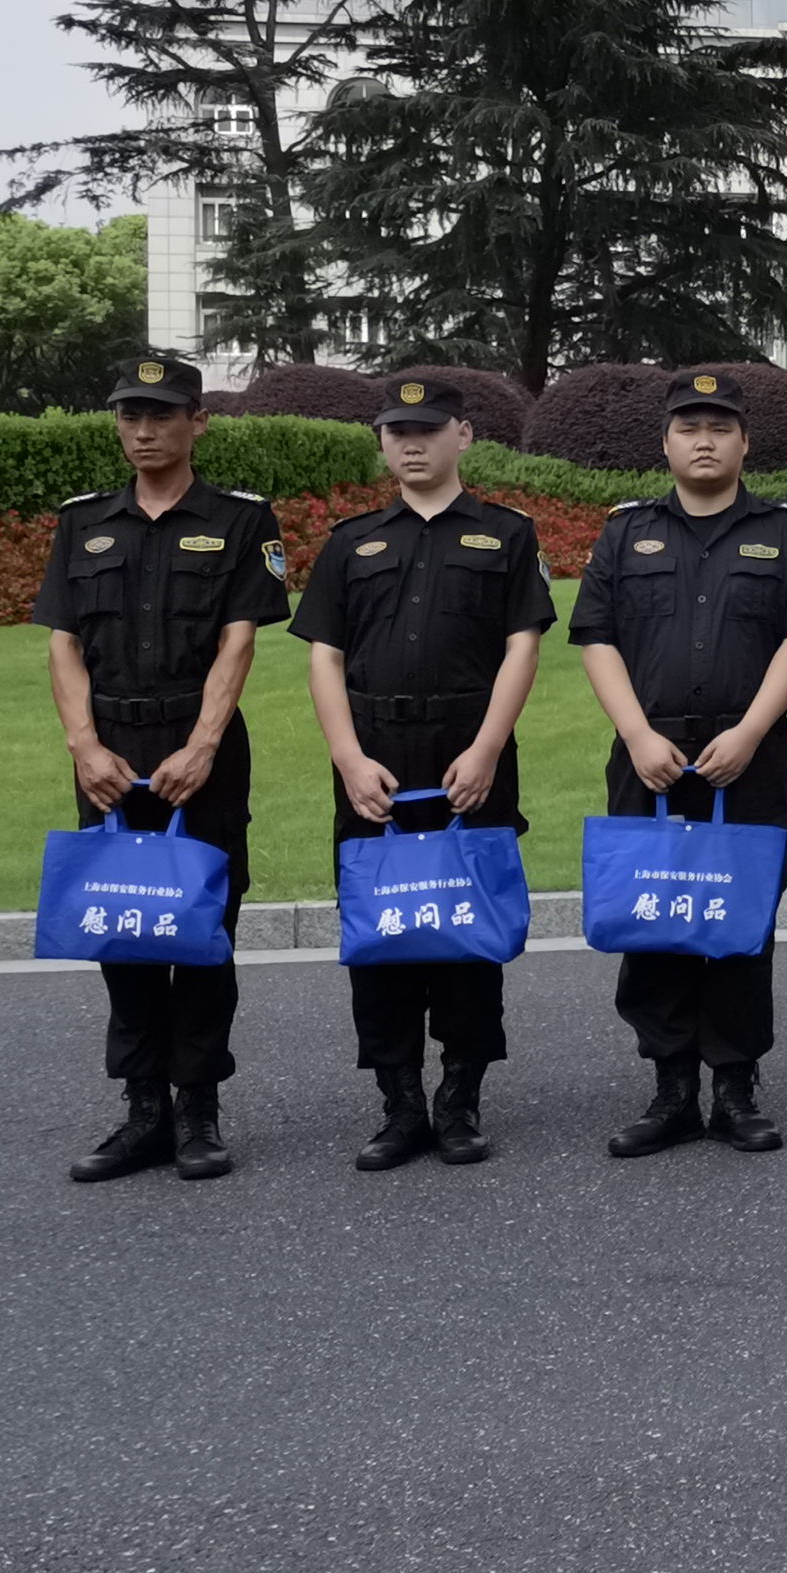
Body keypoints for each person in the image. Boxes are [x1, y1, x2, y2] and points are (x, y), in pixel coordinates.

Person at [32, 353, 289, 1184]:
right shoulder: (83, 522)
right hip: (108, 749)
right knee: (124, 925)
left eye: (162, 415)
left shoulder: (241, 518)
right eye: (130, 415)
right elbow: (64, 643)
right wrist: (83, 744)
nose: (144, 430)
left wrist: (204, 744)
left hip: (198, 745)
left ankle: (199, 1111)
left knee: (205, 927)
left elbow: (238, 641)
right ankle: (143, 1109)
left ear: (197, 423)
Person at [571, 368, 787, 1157]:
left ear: (745, 442)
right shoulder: (627, 532)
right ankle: (671, 1090)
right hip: (648, 754)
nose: (705, 440)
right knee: (653, 917)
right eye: (689, 427)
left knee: (739, 918)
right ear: (666, 442)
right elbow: (597, 638)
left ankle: (735, 1088)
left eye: (720, 427)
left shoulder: (785, 533)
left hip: (745, 753)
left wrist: (752, 730)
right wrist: (636, 734)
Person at [293, 375, 553, 1171]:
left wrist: (487, 748)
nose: (411, 445)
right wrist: (347, 758)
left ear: (462, 436)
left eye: (428, 430)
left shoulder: (506, 534)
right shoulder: (353, 541)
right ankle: (400, 1104)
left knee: (467, 931)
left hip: (468, 750)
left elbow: (522, 646)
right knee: (384, 931)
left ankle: (460, 1099)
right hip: (374, 753)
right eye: (396, 432)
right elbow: (325, 656)